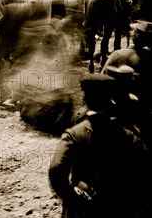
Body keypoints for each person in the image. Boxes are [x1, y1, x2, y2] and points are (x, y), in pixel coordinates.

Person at [49, 73, 149, 218]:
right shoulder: (127, 136)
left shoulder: (74, 135)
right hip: (117, 208)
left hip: (83, 209)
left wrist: (73, 197)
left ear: (86, 99)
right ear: (110, 101)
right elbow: (145, 166)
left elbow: (56, 170)